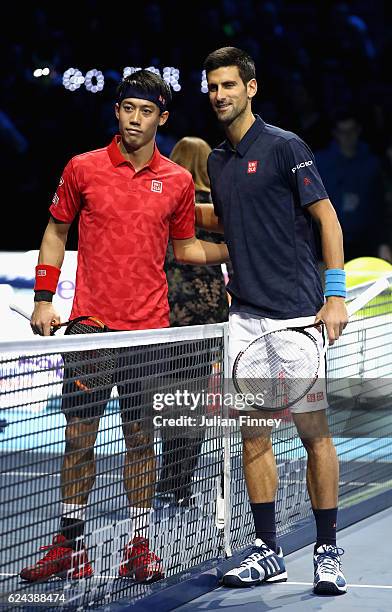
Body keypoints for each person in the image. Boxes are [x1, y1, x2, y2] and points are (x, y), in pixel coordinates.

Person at [21, 69, 229, 584]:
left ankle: (139, 543)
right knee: (78, 438)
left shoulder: (178, 182)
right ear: (117, 112)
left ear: (162, 118)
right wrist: (44, 298)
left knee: (140, 439)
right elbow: (55, 229)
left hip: (149, 333)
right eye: (127, 109)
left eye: (146, 111)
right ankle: (70, 545)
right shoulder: (83, 169)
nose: (135, 119)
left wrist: (241, 252)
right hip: (91, 329)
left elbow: (185, 250)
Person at [196, 46, 349, 595]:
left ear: (251, 87)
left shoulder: (286, 147)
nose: (219, 95)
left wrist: (335, 295)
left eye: (228, 85)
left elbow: (327, 221)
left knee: (313, 434)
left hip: (298, 318)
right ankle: (267, 550)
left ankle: (328, 549)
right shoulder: (217, 162)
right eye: (212, 86)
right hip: (246, 319)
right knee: (254, 435)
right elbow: (236, 228)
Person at [157, 137, 229, 506]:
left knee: (169, 396)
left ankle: (167, 482)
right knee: (194, 400)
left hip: (169, 310)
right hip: (208, 315)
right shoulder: (218, 206)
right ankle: (181, 486)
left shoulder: (166, 200)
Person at [315, 112, 389, 262]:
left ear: (358, 131)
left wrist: (383, 242)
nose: (347, 136)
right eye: (343, 132)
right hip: (328, 241)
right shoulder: (321, 163)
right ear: (335, 133)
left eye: (351, 131)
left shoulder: (371, 163)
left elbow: (379, 207)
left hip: (365, 242)